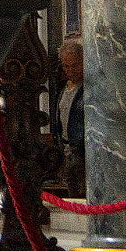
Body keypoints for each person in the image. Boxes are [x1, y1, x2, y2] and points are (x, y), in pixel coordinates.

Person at [55, 37, 85, 195]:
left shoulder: (88, 89)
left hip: (82, 153)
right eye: (67, 66)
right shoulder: (63, 89)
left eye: (75, 65)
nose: (71, 70)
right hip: (66, 152)